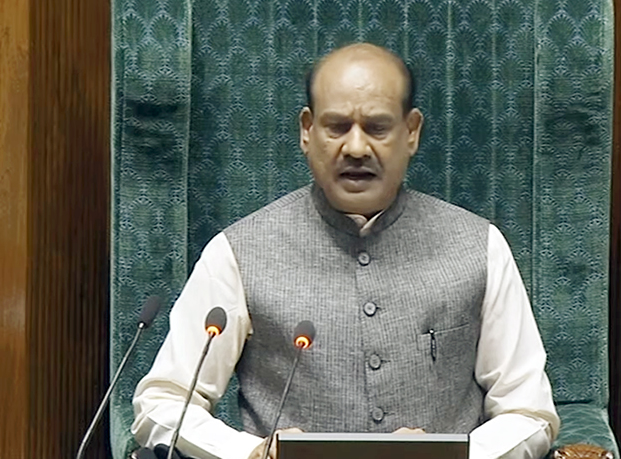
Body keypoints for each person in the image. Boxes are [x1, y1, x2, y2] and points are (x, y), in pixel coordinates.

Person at [132, 43, 560, 459]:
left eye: (377, 127)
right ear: (307, 131)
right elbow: (163, 403)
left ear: (411, 132)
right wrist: (250, 453)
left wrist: (453, 456)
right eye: (337, 127)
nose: (356, 148)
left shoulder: (479, 245)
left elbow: (529, 411)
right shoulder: (238, 251)